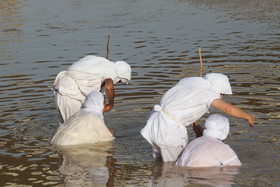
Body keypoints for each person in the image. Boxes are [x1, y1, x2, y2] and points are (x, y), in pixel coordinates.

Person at [140, 73, 254, 162]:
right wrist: (248, 116)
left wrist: (195, 126)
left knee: (158, 165)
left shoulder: (190, 82)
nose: (221, 97)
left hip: (155, 124)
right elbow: (228, 109)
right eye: (222, 94)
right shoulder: (208, 93)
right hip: (168, 131)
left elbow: (182, 105)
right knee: (175, 168)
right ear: (218, 90)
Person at [53, 55, 131, 123]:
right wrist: (111, 104)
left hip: (61, 90)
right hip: (70, 95)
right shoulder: (111, 72)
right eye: (119, 81)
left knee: (66, 129)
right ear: (119, 75)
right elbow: (109, 87)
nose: (116, 83)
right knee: (76, 130)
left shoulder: (101, 63)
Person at [176, 114, 242, 167]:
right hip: (203, 179)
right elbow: (237, 168)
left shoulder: (193, 143)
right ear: (225, 129)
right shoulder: (223, 148)